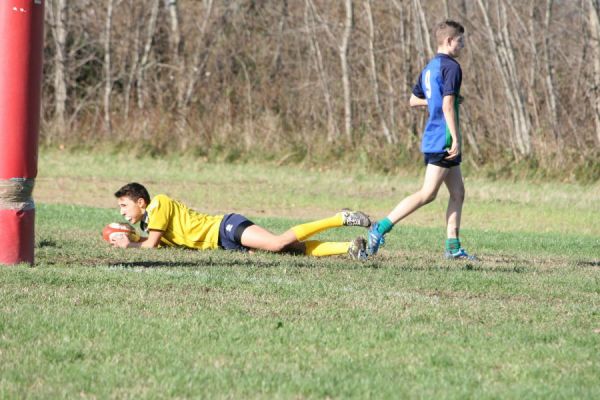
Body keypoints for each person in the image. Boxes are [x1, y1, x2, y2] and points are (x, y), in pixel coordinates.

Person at [367, 20, 475, 260]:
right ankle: (380, 227)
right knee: (428, 194)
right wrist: (455, 137)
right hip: (443, 138)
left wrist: (438, 100)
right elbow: (447, 104)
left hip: (434, 136)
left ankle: (453, 247)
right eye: (461, 41)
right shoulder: (452, 67)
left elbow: (414, 100)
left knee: (458, 193)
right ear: (449, 41)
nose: (463, 46)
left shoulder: (430, 67)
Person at [110, 182, 370, 260]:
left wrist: (130, 245)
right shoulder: (149, 222)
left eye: (124, 205)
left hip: (225, 227)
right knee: (291, 251)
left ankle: (340, 218)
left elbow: (152, 246)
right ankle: (349, 248)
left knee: (278, 244)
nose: (122, 212)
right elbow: (157, 241)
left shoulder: (159, 204)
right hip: (223, 244)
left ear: (141, 202)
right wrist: (134, 237)